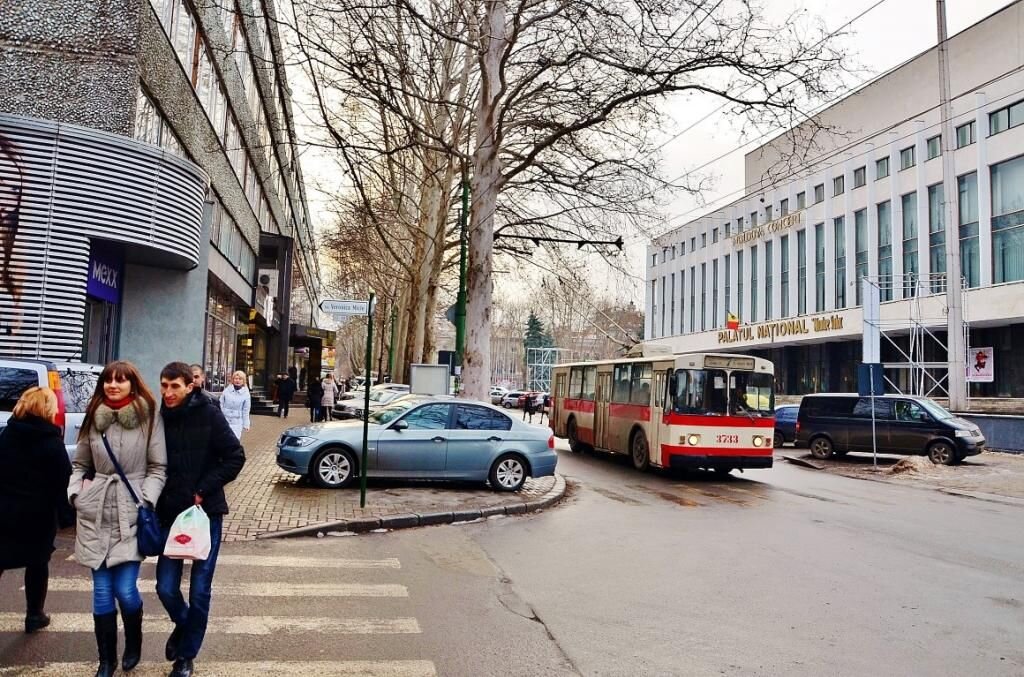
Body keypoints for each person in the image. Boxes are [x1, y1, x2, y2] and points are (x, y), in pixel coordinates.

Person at [68, 361, 167, 676]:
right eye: (108, 380)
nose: (113, 385)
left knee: (125, 590)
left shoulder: (149, 418)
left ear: (132, 384)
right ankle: (106, 661)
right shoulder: (93, 418)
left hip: (131, 510)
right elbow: (80, 464)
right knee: (100, 591)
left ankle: (134, 641)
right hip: (95, 512)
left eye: (120, 380)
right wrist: (76, 495)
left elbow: (158, 468)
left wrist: (145, 499)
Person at [156, 362, 245, 677]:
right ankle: (184, 625)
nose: (168, 393)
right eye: (164, 386)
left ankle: (186, 657)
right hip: (169, 514)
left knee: (200, 590)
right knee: (165, 587)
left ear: (189, 386)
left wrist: (203, 489)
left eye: (174, 386)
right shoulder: (159, 418)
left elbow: (235, 457)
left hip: (205, 514)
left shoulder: (208, 414)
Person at [0, 387, 73, 634]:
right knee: (37, 563)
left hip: (4, 510)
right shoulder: (51, 443)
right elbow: (61, 480)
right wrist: (66, 516)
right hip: (38, 515)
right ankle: (34, 615)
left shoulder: (6, 435)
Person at [218, 371, 251, 440]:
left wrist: (246, 424)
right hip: (224, 420)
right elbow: (220, 403)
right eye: (236, 378)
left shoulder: (246, 394)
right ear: (233, 380)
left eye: (240, 379)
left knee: (233, 442)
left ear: (243, 381)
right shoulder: (227, 390)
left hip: (237, 423)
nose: (237, 380)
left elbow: (246, 410)